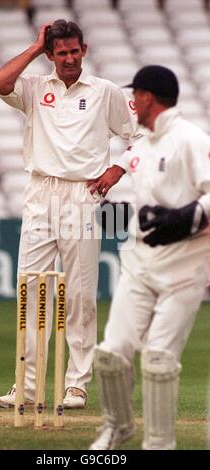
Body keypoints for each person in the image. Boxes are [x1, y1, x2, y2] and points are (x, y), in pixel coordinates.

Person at [0, 19, 142, 410]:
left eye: (75, 51)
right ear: (50, 54)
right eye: (62, 53)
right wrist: (34, 47)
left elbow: (140, 135)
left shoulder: (104, 91)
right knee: (31, 290)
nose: (70, 58)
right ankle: (26, 387)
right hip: (40, 191)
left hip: (84, 194)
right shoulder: (36, 87)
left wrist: (117, 169)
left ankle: (76, 385)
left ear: (84, 50)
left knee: (79, 294)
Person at [90, 65, 210, 450]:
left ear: (148, 97)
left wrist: (185, 218)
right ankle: (117, 428)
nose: (131, 102)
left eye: (135, 95)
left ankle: (158, 444)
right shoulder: (141, 146)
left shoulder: (191, 139)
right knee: (110, 355)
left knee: (158, 358)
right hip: (140, 264)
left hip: (185, 266)